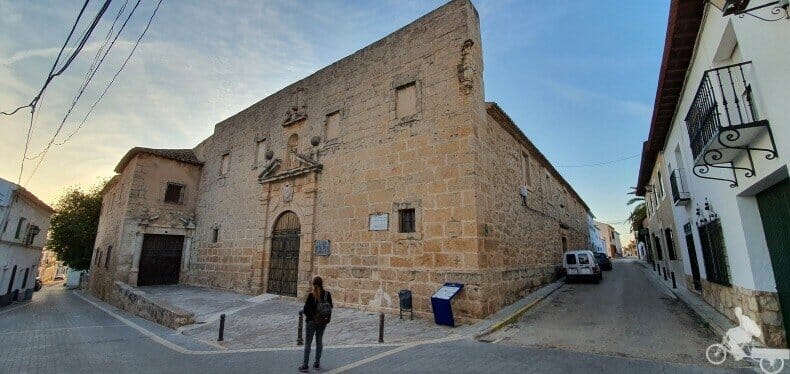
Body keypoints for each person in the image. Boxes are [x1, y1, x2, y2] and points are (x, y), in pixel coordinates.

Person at [299, 276, 332, 372]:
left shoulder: (311, 295)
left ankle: (305, 365)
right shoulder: (327, 294)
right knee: (319, 341)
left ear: (313, 284)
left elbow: (306, 310)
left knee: (308, 343)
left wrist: (311, 316)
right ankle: (317, 363)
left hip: (311, 322)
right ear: (322, 284)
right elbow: (330, 307)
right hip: (322, 322)